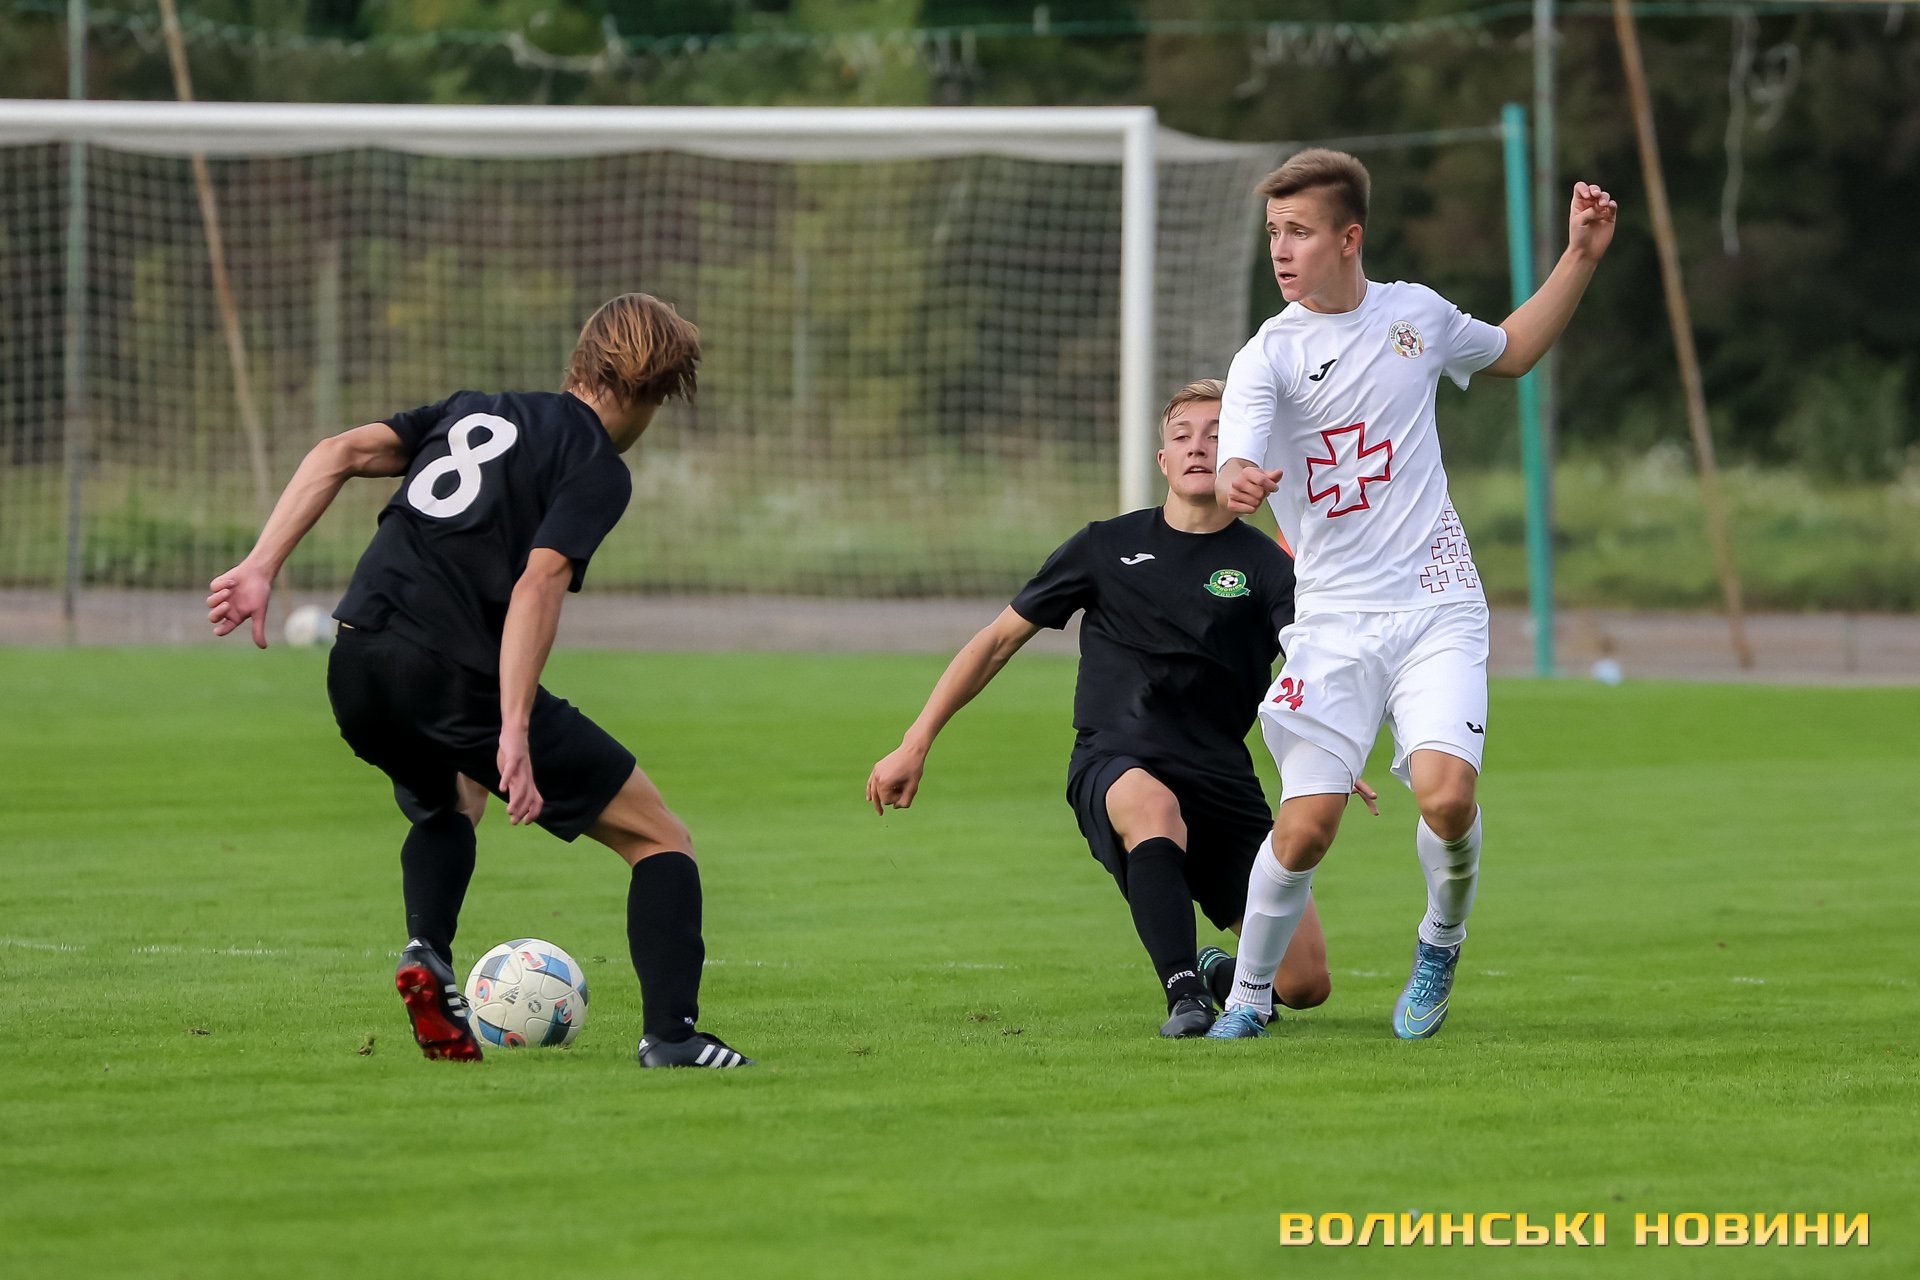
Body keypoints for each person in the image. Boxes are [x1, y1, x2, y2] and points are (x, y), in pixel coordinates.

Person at [207, 293, 753, 1069]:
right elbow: (539, 583)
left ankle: (426, 954)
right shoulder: (596, 465)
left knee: (454, 798)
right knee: (660, 837)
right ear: (647, 389)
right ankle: (673, 1037)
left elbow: (337, 452)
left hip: (355, 661)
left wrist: (261, 565)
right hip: (447, 673)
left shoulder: (472, 411)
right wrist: (514, 731)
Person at [1206, 150, 1617, 1040]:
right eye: (1274, 232)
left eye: (1300, 232)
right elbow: (1238, 450)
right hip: (1332, 619)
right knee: (1307, 829)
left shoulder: (1415, 316)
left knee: (1446, 797)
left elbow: (1512, 351)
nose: (1281, 250)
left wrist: (1580, 255)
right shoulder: (1267, 355)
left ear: (1349, 238)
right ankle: (1248, 995)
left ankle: (1440, 941)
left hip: (1437, 602)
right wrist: (1238, 477)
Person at [868, 379, 1373, 1038]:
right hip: (1118, 758)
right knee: (1152, 808)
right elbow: (996, 641)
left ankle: (1219, 973)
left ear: (1244, 452)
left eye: (1217, 434)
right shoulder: (1104, 547)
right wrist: (916, 742)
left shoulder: (1271, 569)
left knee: (1304, 984)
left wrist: (1331, 746)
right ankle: (1185, 994)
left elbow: (1308, 665)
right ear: (1163, 459)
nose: (1198, 447)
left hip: (1221, 776)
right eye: (1182, 436)